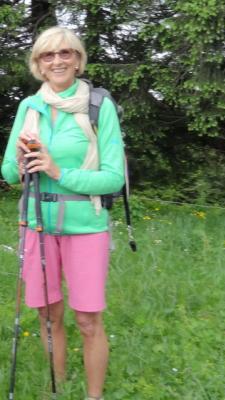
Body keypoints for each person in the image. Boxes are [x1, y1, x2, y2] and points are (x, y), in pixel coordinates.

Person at [1, 26, 125, 400]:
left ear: (78, 59)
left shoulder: (99, 106)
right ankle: (58, 385)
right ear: (38, 64)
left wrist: (59, 172)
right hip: (36, 224)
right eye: (48, 55)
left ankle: (94, 396)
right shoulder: (29, 107)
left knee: (87, 319)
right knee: (47, 314)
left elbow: (114, 178)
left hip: (86, 226)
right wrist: (19, 162)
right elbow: (8, 173)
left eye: (65, 53)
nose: (57, 61)